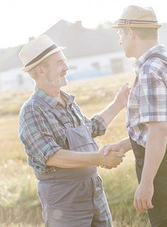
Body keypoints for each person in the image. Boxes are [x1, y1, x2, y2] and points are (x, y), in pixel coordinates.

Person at [102, 5, 167, 226]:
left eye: (120, 33)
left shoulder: (150, 70)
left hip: (164, 169)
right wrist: (125, 144)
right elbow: (165, 125)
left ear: (131, 33)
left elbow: (159, 130)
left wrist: (147, 182)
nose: (119, 40)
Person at [18, 35, 130, 227]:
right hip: (64, 201)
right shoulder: (32, 111)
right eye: (60, 63)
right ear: (41, 71)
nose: (66, 67)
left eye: (65, 61)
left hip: (93, 192)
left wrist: (119, 103)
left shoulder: (68, 102)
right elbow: (52, 156)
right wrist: (99, 158)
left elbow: (91, 128)